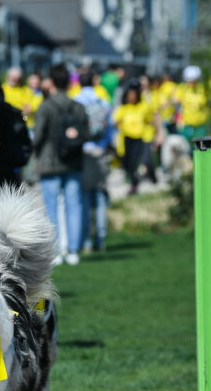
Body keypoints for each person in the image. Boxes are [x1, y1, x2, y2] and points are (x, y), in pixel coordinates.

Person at [32, 64, 88, 265]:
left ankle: (55, 252)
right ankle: (73, 250)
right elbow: (86, 134)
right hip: (73, 161)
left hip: (50, 162)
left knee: (51, 207)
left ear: (52, 82)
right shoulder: (78, 107)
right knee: (74, 205)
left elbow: (38, 136)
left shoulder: (46, 106)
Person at [72, 70, 112, 252]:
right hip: (100, 151)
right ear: (94, 82)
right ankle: (101, 238)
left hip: (84, 151)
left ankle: (86, 239)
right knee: (100, 194)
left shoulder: (76, 101)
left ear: (79, 83)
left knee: (85, 196)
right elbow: (110, 128)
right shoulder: (103, 102)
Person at [114, 82, 155, 195]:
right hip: (127, 138)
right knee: (126, 162)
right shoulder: (123, 108)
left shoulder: (142, 107)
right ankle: (133, 180)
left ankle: (134, 183)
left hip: (139, 138)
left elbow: (149, 119)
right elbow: (116, 122)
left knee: (136, 161)